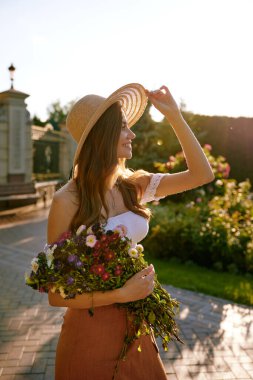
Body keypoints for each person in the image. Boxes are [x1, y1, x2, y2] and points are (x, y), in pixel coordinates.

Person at [47, 83, 214, 380]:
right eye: (123, 128)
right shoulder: (66, 201)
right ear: (103, 136)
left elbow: (202, 174)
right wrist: (121, 293)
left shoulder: (134, 186)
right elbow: (57, 294)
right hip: (89, 333)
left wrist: (175, 116)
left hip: (137, 327)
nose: (132, 134)